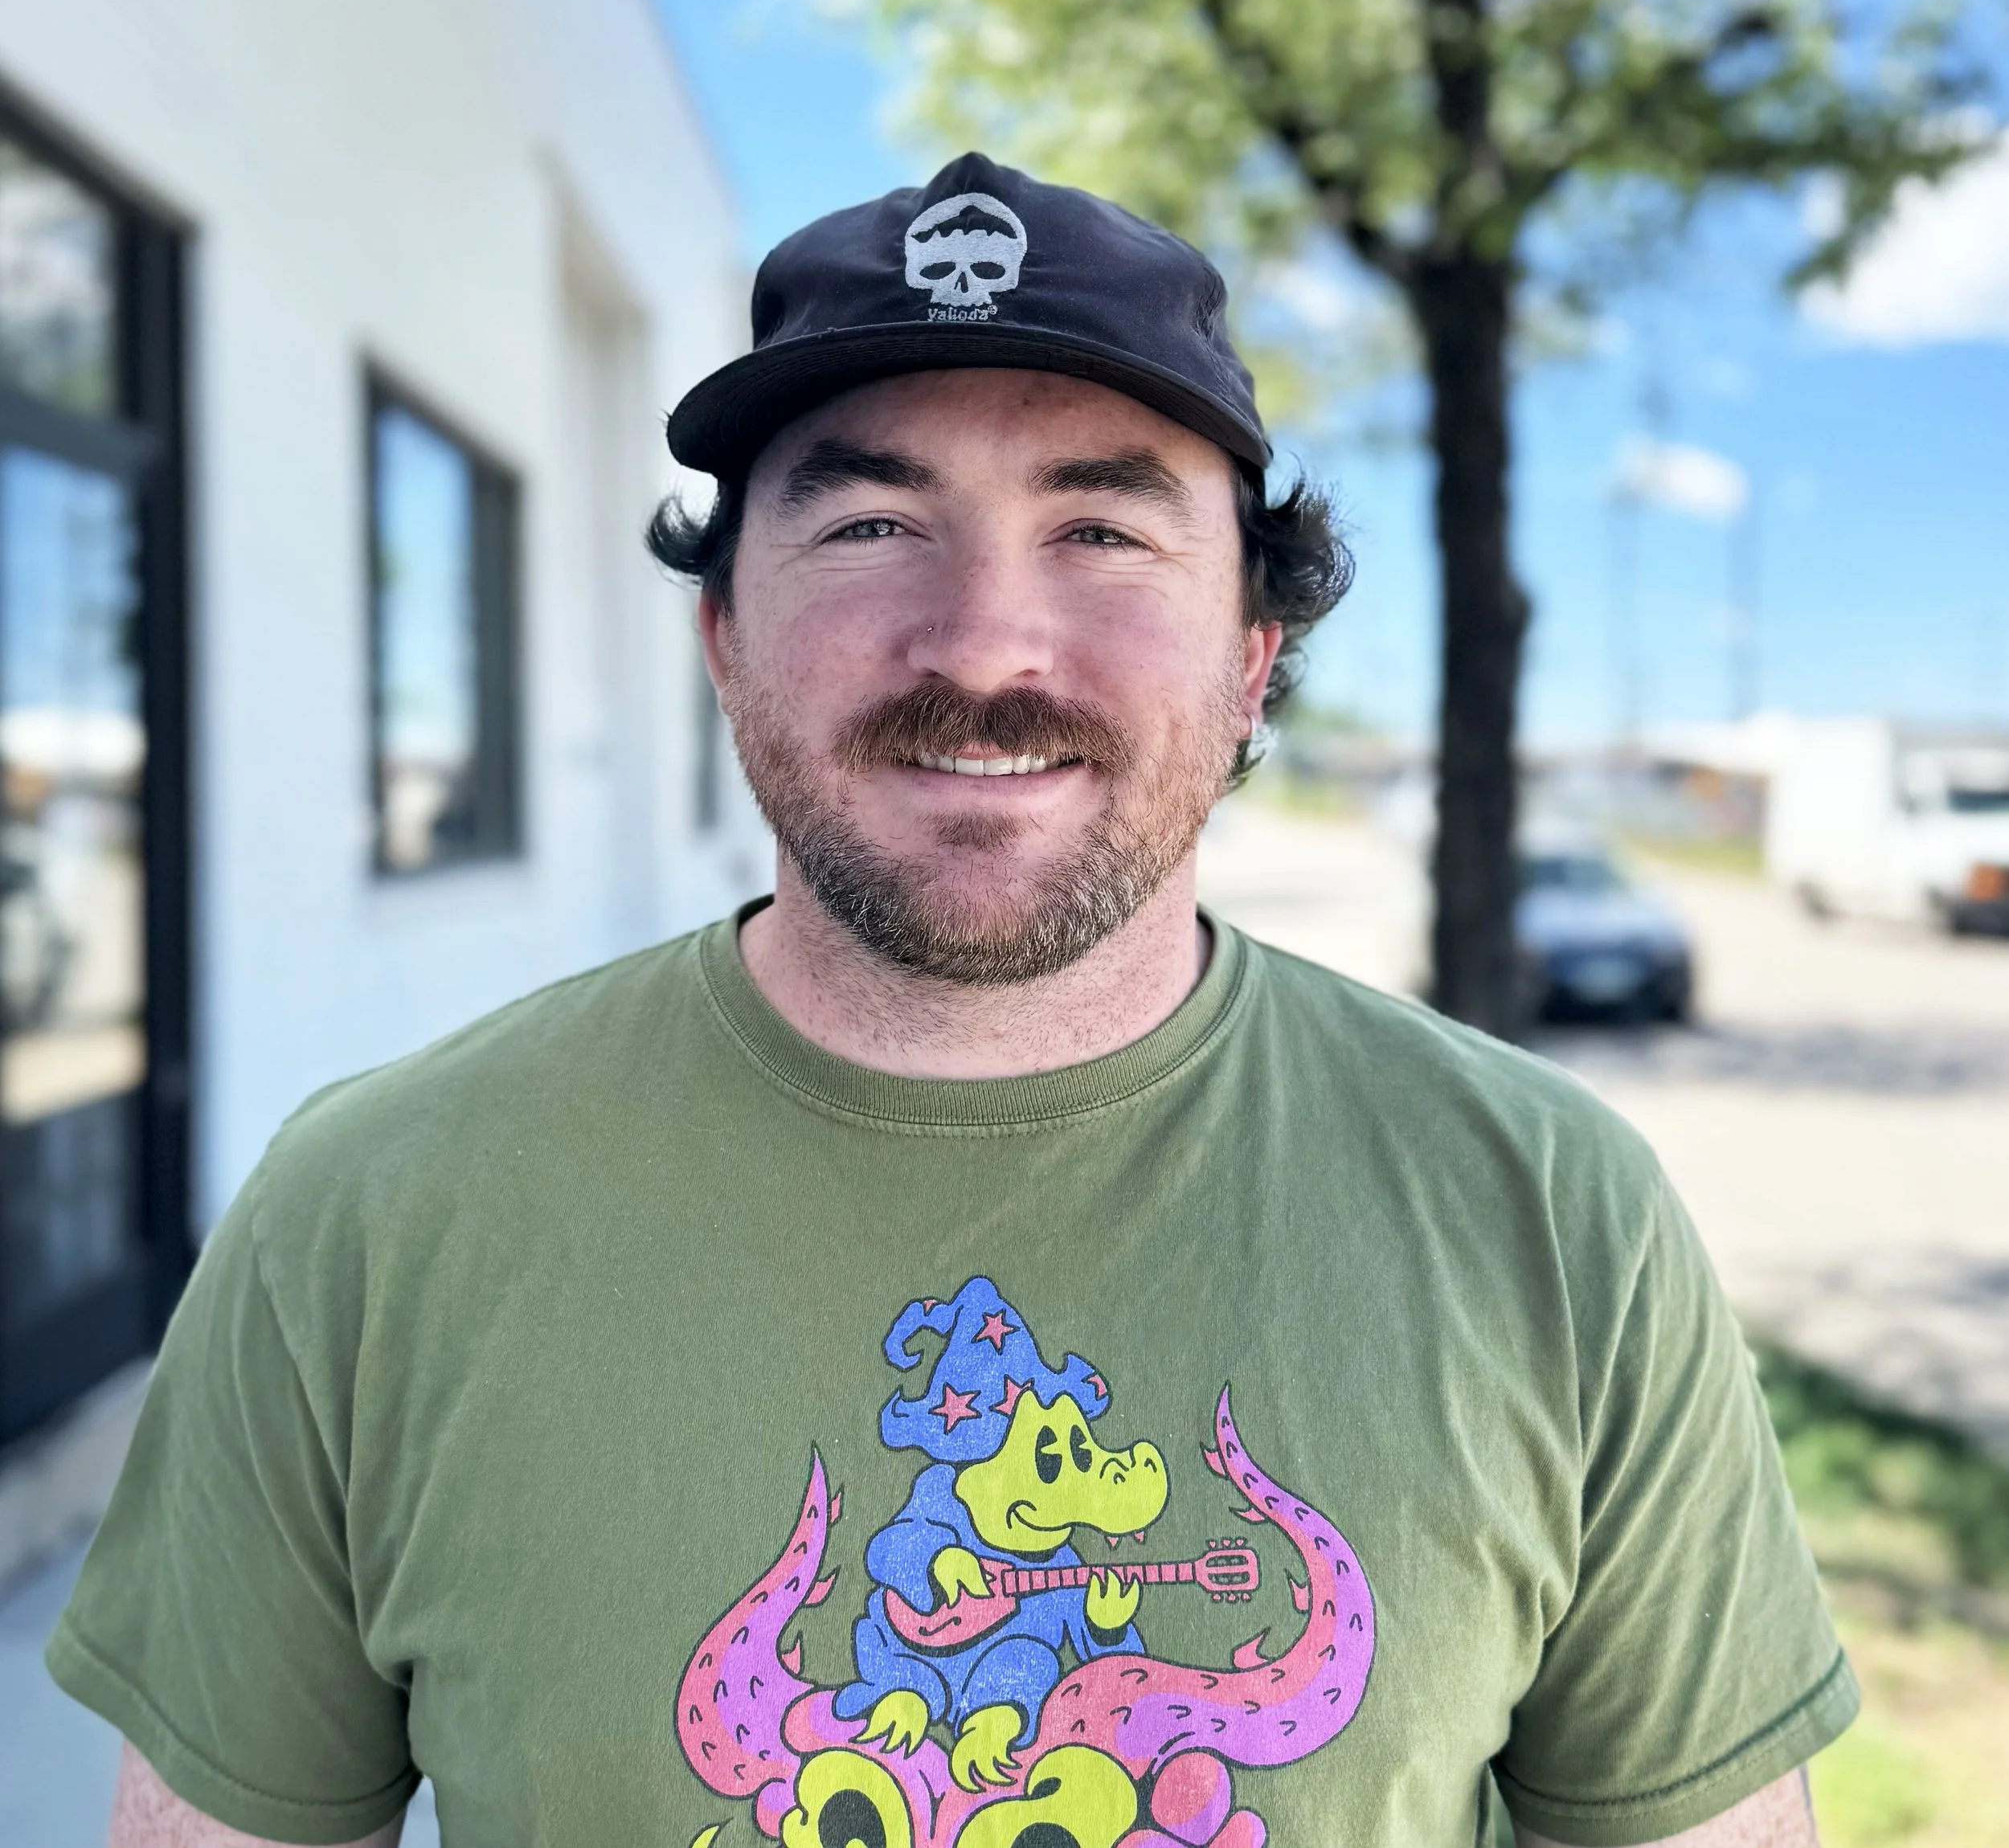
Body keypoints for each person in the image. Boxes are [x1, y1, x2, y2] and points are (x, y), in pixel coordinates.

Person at [51, 153, 1854, 1848]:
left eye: (1102, 531)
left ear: (1251, 661)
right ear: (723, 639)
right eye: (868, 523)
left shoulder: (1553, 1219)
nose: (985, 643)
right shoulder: (368, 1217)